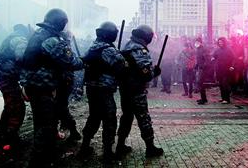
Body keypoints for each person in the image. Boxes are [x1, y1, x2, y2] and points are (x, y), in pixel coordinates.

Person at [21, 9, 84, 167]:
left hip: (34, 85)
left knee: (41, 123)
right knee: (46, 125)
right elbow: (70, 61)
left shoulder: (39, 33)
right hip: (41, 87)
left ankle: (44, 155)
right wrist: (83, 61)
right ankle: (39, 160)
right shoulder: (52, 39)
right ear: (60, 23)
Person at [78, 22, 128, 162]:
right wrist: (121, 57)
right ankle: (107, 153)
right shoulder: (108, 50)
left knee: (94, 117)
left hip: (92, 88)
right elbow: (122, 67)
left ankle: (84, 147)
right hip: (104, 90)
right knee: (109, 120)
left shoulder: (93, 46)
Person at [116, 25, 164, 158]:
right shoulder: (139, 49)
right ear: (146, 36)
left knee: (126, 117)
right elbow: (146, 74)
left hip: (125, 89)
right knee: (143, 118)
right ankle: (150, 148)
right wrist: (155, 72)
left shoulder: (128, 45)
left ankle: (120, 145)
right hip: (136, 89)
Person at [0, 24, 29, 151]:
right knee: (17, 107)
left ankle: (3, 132)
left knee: (10, 105)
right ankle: (11, 138)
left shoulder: (10, 37)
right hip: (7, 77)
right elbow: (22, 58)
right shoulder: (20, 39)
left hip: (3, 76)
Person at [212, 37, 235, 104]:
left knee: (225, 84)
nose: (220, 43)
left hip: (226, 69)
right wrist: (213, 58)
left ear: (224, 42)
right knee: (221, 84)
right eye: (219, 42)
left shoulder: (229, 50)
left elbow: (234, 58)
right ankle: (223, 98)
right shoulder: (217, 50)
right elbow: (214, 56)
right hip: (219, 69)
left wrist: (232, 66)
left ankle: (227, 99)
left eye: (221, 42)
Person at [195, 38, 210, 104]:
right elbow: (199, 59)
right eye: (196, 42)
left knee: (200, 83)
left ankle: (203, 99)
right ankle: (203, 98)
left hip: (204, 69)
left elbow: (207, 59)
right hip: (200, 68)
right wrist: (196, 66)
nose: (196, 43)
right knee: (200, 83)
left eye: (197, 42)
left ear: (201, 42)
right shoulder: (198, 49)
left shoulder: (203, 49)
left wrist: (203, 66)